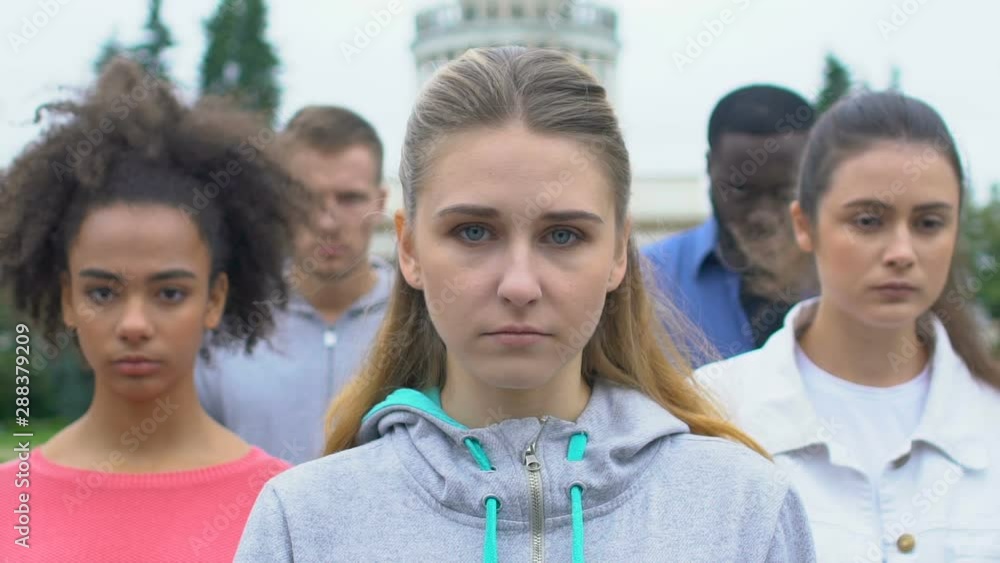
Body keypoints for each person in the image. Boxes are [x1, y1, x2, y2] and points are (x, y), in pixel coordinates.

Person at [234, 47, 816, 563]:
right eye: (473, 233)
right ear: (409, 248)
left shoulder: (744, 509)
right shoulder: (305, 523)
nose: (519, 284)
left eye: (562, 235)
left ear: (619, 252)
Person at [0, 58, 297, 562]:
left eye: (169, 293)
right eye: (102, 293)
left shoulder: (288, 506)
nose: (134, 324)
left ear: (216, 298)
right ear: (68, 298)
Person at [697, 91, 1000, 562]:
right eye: (868, 220)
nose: (901, 251)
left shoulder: (988, 416)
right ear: (805, 224)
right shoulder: (710, 414)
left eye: (928, 223)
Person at [195, 106, 393, 464]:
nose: (327, 221)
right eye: (305, 198)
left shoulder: (424, 321)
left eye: (349, 198)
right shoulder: (226, 325)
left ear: (379, 203)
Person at [643, 85, 817, 364]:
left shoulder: (846, 276)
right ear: (710, 167)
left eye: (784, 193)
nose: (763, 214)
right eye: (741, 191)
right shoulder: (647, 281)